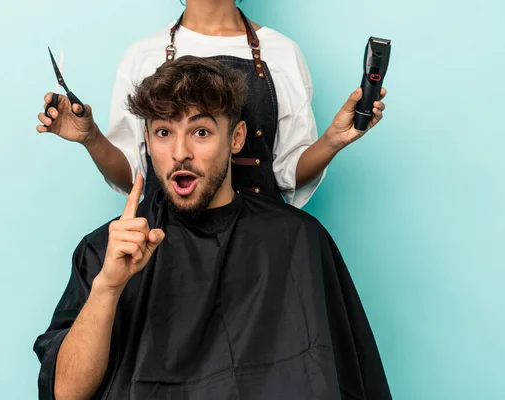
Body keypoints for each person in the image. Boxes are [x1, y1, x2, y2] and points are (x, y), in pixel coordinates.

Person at [33, 56, 391, 400]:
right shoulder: (105, 250)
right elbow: (65, 394)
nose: (180, 152)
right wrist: (108, 288)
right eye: (163, 132)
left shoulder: (297, 240)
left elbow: (348, 381)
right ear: (147, 140)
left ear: (236, 138)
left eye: (200, 132)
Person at [36, 0, 386, 208]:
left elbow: (287, 172)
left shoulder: (283, 53)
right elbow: (135, 177)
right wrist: (92, 138)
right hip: (164, 246)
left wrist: (334, 140)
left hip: (262, 246)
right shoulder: (142, 55)